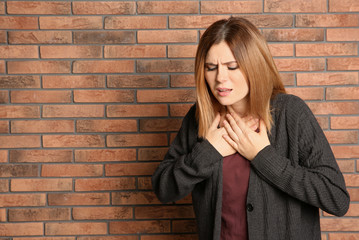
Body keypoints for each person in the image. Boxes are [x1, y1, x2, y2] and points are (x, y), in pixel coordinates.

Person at [152, 17, 350, 240]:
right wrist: (208, 152)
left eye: (232, 66)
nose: (220, 77)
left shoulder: (290, 113)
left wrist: (263, 157)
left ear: (254, 65)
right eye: (210, 67)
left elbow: (337, 199)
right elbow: (164, 189)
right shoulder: (199, 118)